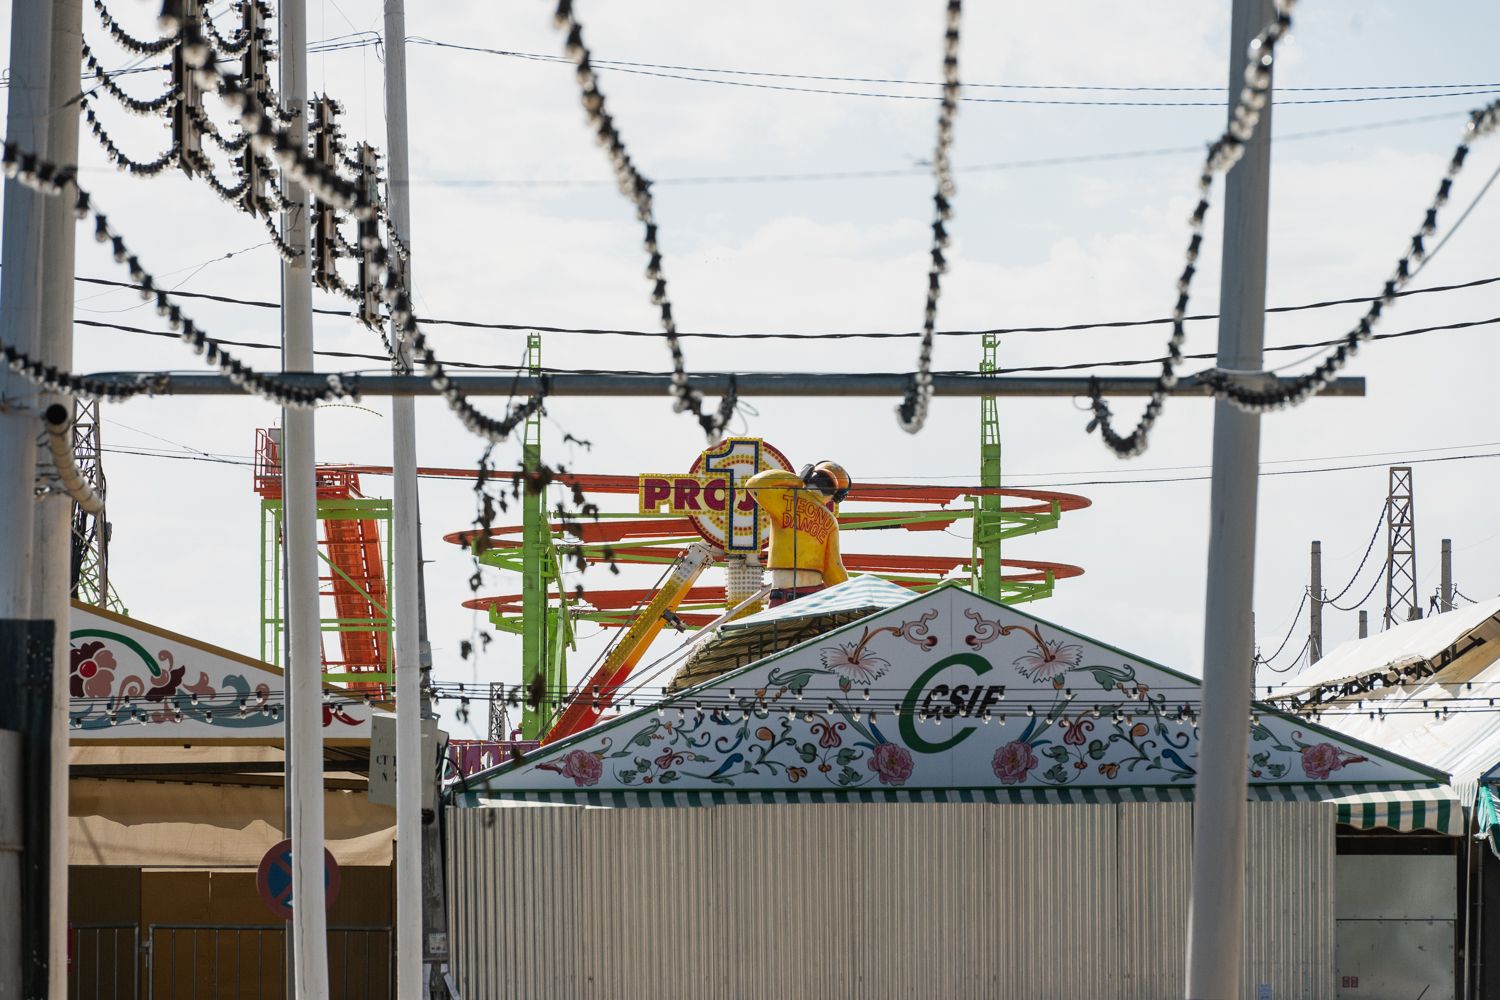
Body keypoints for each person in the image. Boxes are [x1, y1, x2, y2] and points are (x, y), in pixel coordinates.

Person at [744, 460, 851, 607]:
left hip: (780, 593)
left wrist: (797, 480)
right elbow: (834, 568)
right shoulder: (830, 521)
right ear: (837, 496)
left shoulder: (785, 497)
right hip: (812, 596)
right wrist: (851, 597)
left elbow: (754, 484)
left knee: (774, 629)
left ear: (810, 476)